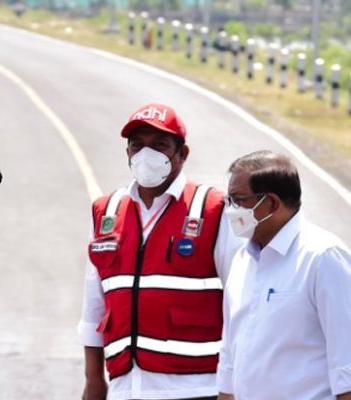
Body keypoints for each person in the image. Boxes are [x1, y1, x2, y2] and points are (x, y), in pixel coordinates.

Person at [79, 103, 242, 400]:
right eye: (137, 145)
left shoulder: (213, 209)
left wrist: (231, 387)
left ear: (182, 154)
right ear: (127, 152)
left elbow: (240, 305)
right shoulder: (107, 211)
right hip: (124, 388)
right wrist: (94, 382)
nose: (146, 155)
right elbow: (94, 307)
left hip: (197, 388)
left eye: (159, 145)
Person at [217, 150, 351, 400]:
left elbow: (347, 364)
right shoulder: (242, 260)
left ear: (272, 204)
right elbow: (230, 357)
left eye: (238, 200)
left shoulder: (323, 258)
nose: (230, 210)